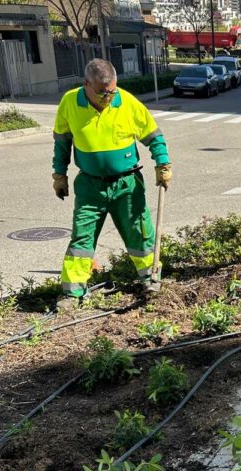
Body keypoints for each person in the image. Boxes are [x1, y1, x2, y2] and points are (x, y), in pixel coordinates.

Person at [51, 59, 172, 309]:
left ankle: (151, 280)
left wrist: (163, 164)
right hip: (90, 186)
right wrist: (59, 175)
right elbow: (62, 142)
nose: (108, 96)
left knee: (140, 233)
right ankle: (72, 293)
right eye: (102, 92)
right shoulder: (70, 103)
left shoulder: (127, 102)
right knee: (81, 238)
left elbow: (154, 137)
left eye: (112, 91)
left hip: (127, 184)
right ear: (86, 84)